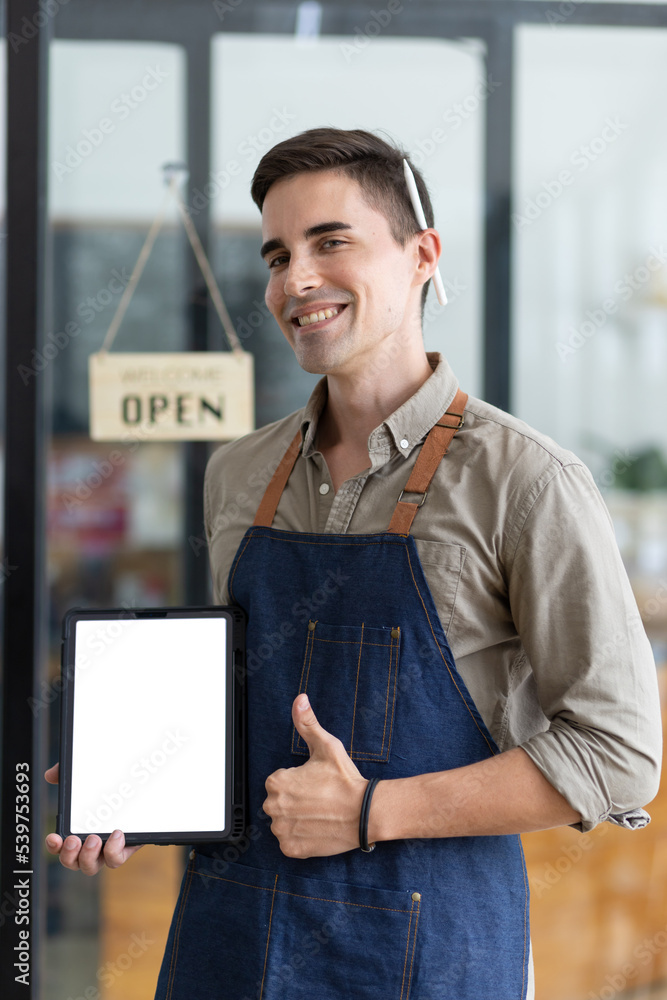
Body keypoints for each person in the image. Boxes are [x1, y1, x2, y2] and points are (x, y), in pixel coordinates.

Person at [46, 127, 662, 1000]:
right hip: (229, 939)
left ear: (421, 255)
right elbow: (254, 706)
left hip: (429, 950)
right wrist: (140, 788)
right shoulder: (238, 472)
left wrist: (374, 811)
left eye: (330, 241)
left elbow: (618, 751)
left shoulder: (524, 480)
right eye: (275, 254)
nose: (294, 280)